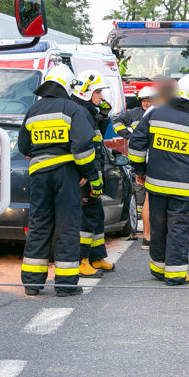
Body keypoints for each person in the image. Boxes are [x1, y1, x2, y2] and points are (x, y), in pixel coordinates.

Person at [128, 73, 189, 285]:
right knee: (178, 228)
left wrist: (139, 170)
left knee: (158, 224)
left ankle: (158, 268)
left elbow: (135, 144)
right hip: (184, 187)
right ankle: (175, 274)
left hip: (156, 183)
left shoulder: (156, 113)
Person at [17, 65, 103, 297]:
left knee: (38, 225)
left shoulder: (33, 110)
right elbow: (83, 144)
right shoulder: (71, 108)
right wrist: (90, 174)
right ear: (67, 84)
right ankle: (65, 285)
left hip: (38, 175)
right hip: (66, 174)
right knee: (67, 227)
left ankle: (32, 283)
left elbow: (23, 146)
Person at [72, 71, 116, 277]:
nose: (101, 96)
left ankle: (97, 257)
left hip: (95, 167)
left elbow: (98, 136)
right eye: (98, 92)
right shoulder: (80, 112)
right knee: (87, 218)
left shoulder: (89, 111)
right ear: (86, 92)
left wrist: (104, 115)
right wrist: (89, 174)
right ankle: (82, 259)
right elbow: (84, 146)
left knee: (96, 214)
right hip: (87, 172)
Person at [113, 86, 156, 245]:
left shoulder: (153, 113)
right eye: (144, 101)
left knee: (147, 197)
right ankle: (138, 225)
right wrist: (128, 135)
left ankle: (145, 230)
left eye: (149, 100)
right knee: (139, 192)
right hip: (137, 156)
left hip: (148, 157)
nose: (146, 103)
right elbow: (116, 122)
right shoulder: (134, 114)